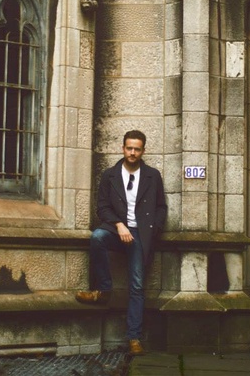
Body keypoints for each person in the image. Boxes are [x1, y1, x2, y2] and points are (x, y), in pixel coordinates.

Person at [76, 130, 167, 355]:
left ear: (143, 150)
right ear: (122, 148)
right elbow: (102, 207)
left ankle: (133, 338)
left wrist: (152, 230)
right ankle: (104, 290)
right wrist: (118, 225)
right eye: (129, 148)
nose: (132, 152)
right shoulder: (110, 175)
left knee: (136, 285)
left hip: (141, 235)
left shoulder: (152, 175)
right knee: (97, 237)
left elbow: (161, 207)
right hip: (117, 229)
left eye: (137, 149)